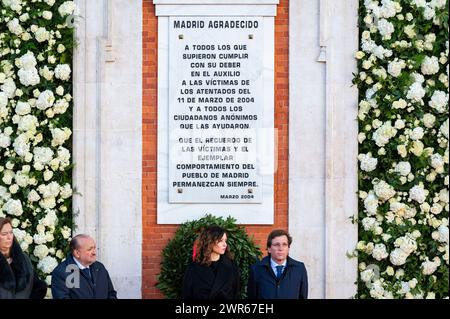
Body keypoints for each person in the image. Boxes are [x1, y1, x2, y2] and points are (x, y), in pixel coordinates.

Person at [51, 234, 117, 299]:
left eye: (94, 248)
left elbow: (111, 293)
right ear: (77, 253)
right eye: (89, 249)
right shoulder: (61, 272)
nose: (94, 253)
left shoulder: (99, 267)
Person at [182, 225, 240, 299]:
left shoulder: (232, 266)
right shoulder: (193, 268)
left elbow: (236, 293)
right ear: (210, 242)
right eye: (220, 241)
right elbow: (187, 294)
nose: (225, 244)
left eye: (225, 240)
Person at [247, 229, 308, 299]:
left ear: (288, 248)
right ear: (269, 249)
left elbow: (303, 296)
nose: (281, 248)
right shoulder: (256, 269)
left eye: (284, 244)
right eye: (276, 245)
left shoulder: (299, 269)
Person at [0, 217, 47, 299]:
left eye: (11, 233)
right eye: (4, 234)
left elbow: (37, 285)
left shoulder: (23, 258)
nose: (9, 237)